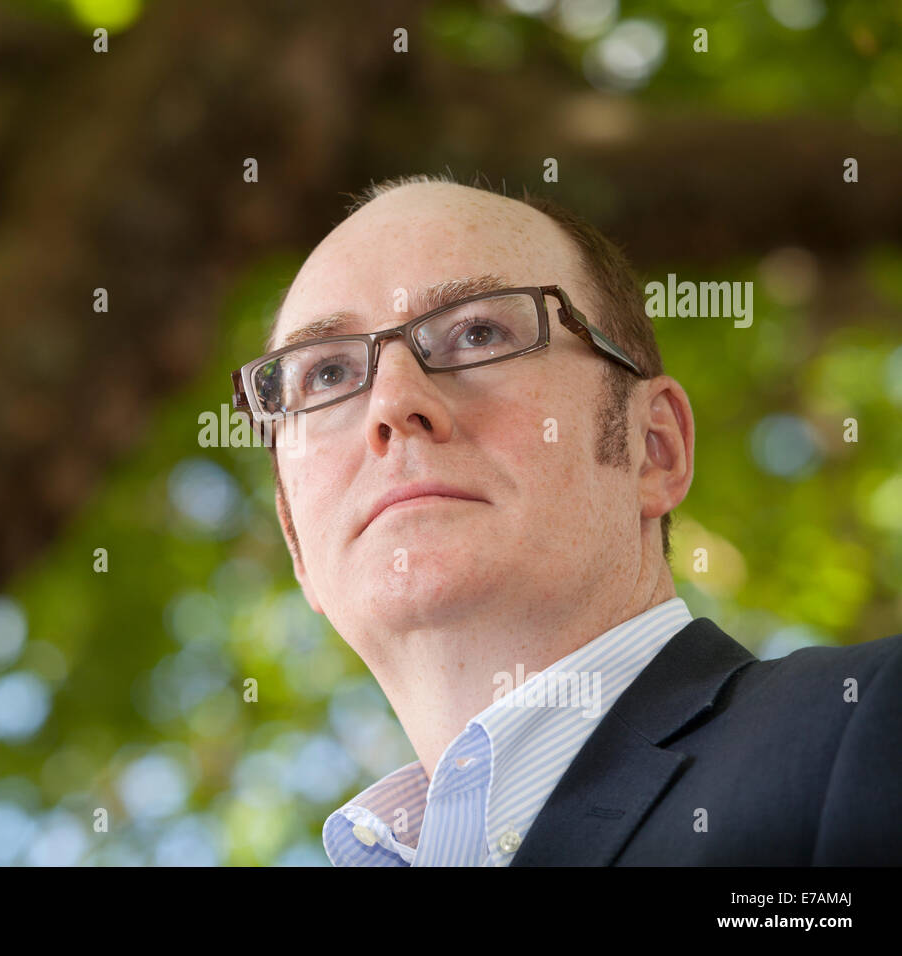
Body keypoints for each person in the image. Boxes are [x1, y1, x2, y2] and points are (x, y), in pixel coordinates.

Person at [230, 173, 902, 866]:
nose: (393, 405)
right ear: (295, 544)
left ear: (652, 448)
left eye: (478, 331)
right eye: (327, 376)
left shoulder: (875, 724)